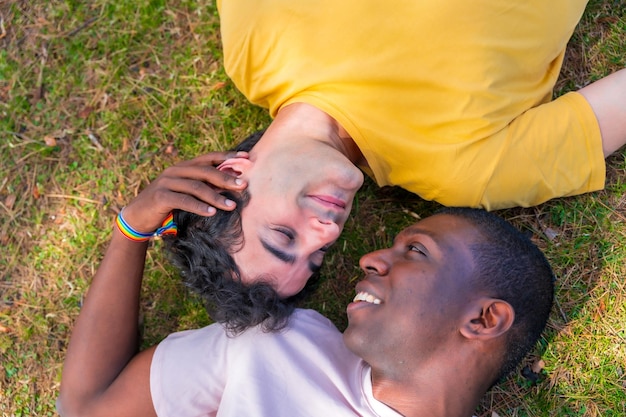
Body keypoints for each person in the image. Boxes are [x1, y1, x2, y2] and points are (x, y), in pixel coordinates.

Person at [172, 0, 626, 319]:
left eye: (283, 234)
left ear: (234, 174)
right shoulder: (465, 172)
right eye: (319, 254)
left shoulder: (252, 52)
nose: (327, 232)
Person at [56, 166, 555, 416]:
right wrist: (130, 232)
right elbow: (87, 409)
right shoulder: (277, 344)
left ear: (484, 320)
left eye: (417, 251)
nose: (369, 258)